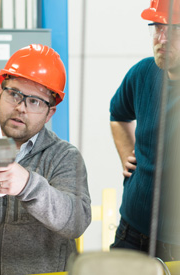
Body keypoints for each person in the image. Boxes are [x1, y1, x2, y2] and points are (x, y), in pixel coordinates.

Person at [0, 44, 92, 274]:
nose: (21, 108)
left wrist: (28, 185)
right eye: (15, 94)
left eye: (35, 101)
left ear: (50, 113)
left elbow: (77, 221)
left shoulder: (64, 156)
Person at [109, 0, 180, 261]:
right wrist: (126, 152)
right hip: (131, 230)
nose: (161, 39)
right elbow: (118, 114)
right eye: (157, 28)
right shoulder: (142, 73)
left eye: (172, 30)